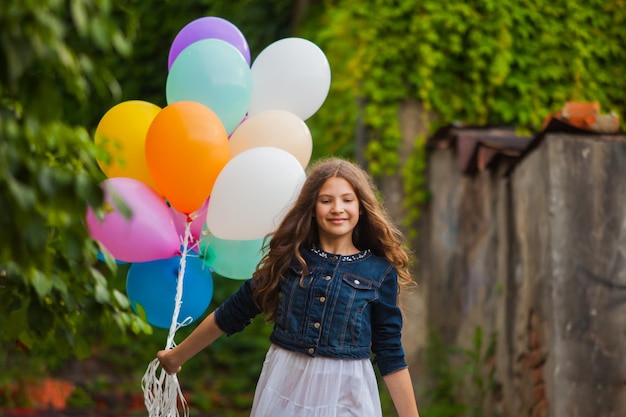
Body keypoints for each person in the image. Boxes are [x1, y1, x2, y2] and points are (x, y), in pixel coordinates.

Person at [157, 157, 421, 417]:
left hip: (347, 393)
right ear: (312, 208)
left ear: (361, 207)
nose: (337, 208)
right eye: (326, 200)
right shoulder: (291, 260)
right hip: (285, 387)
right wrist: (176, 357)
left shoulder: (379, 271)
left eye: (347, 200)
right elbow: (233, 312)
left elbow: (389, 351)